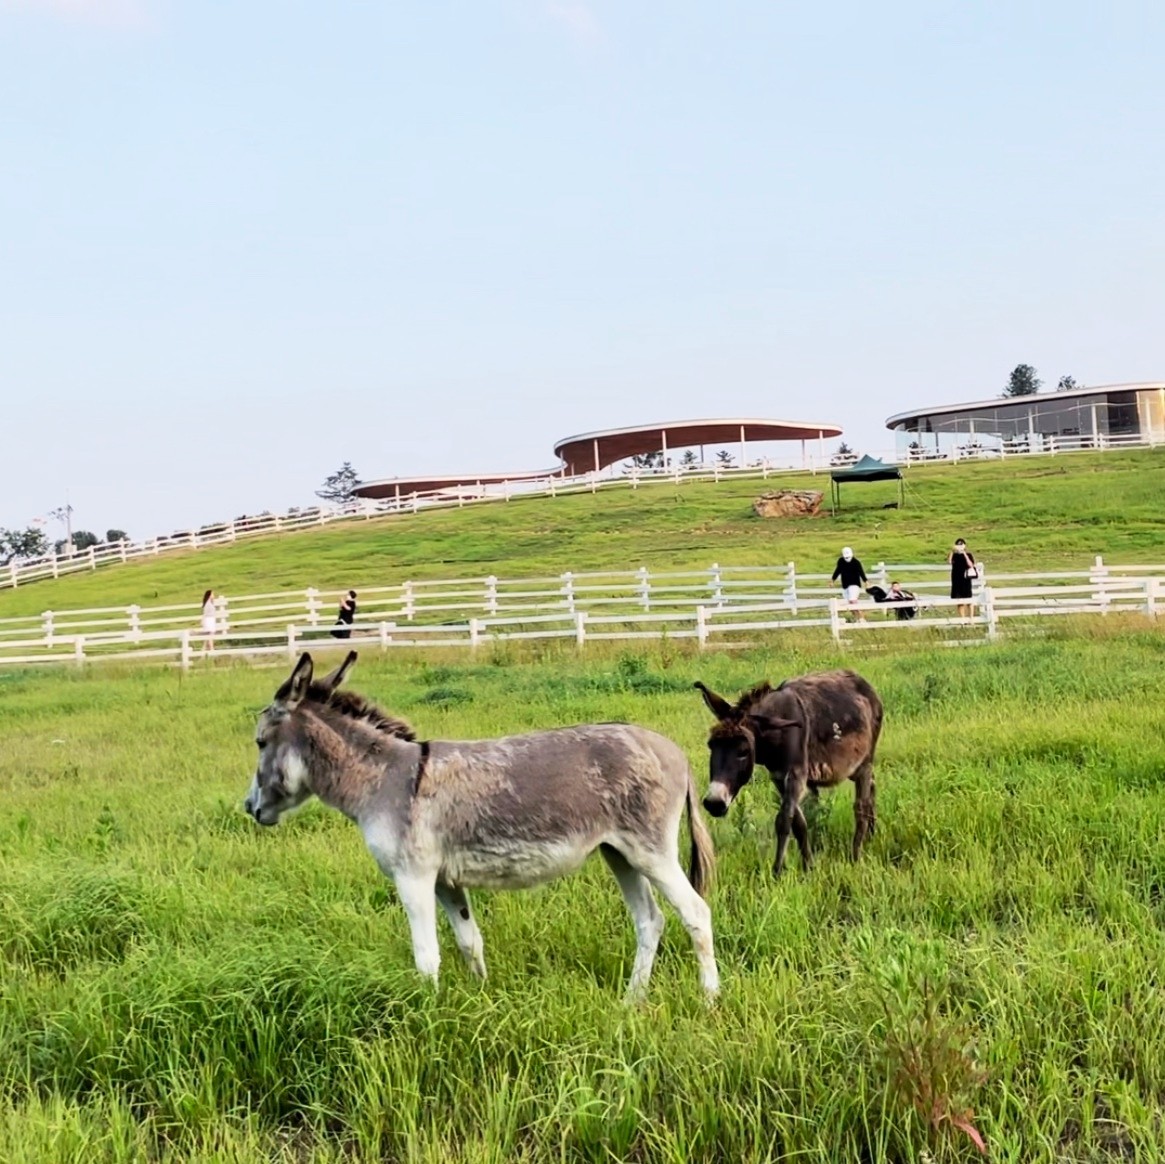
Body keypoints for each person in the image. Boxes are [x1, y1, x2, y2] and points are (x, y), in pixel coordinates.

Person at [831, 546, 868, 622]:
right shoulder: (841, 561)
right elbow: (837, 570)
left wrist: (866, 581)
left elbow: (861, 572)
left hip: (854, 584)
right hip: (845, 585)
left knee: (852, 600)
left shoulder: (856, 562)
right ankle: (857, 618)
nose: (847, 558)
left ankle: (862, 618)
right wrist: (832, 580)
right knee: (849, 603)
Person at [948, 538, 977, 619]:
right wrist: (953, 550)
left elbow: (971, 565)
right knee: (959, 600)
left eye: (961, 545)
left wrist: (964, 553)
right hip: (956, 579)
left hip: (966, 579)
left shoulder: (969, 555)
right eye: (958, 545)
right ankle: (962, 619)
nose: (959, 547)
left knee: (969, 599)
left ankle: (971, 618)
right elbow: (949, 561)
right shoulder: (954, 555)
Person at [200, 588, 217, 655]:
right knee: (210, 635)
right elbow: (206, 613)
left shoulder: (209, 603)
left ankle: (203, 649)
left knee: (208, 636)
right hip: (209, 620)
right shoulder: (208, 604)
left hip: (210, 620)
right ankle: (212, 649)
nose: (213, 596)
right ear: (209, 595)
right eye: (212, 594)